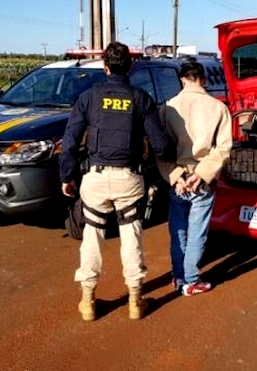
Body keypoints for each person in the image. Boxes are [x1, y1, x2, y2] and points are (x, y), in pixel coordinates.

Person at [59, 42, 174, 321]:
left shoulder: (88, 97)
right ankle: (135, 301)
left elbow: (71, 141)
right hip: (129, 180)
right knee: (131, 237)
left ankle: (87, 302)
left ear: (104, 66)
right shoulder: (141, 98)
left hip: (95, 180)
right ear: (131, 66)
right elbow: (161, 145)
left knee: (91, 239)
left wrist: (67, 176)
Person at [157, 61, 232, 296]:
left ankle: (178, 276)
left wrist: (176, 176)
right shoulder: (218, 108)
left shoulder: (168, 108)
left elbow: (161, 150)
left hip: (177, 178)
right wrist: (201, 175)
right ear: (204, 79)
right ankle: (191, 280)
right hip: (203, 179)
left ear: (182, 79)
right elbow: (224, 148)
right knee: (197, 231)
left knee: (177, 230)